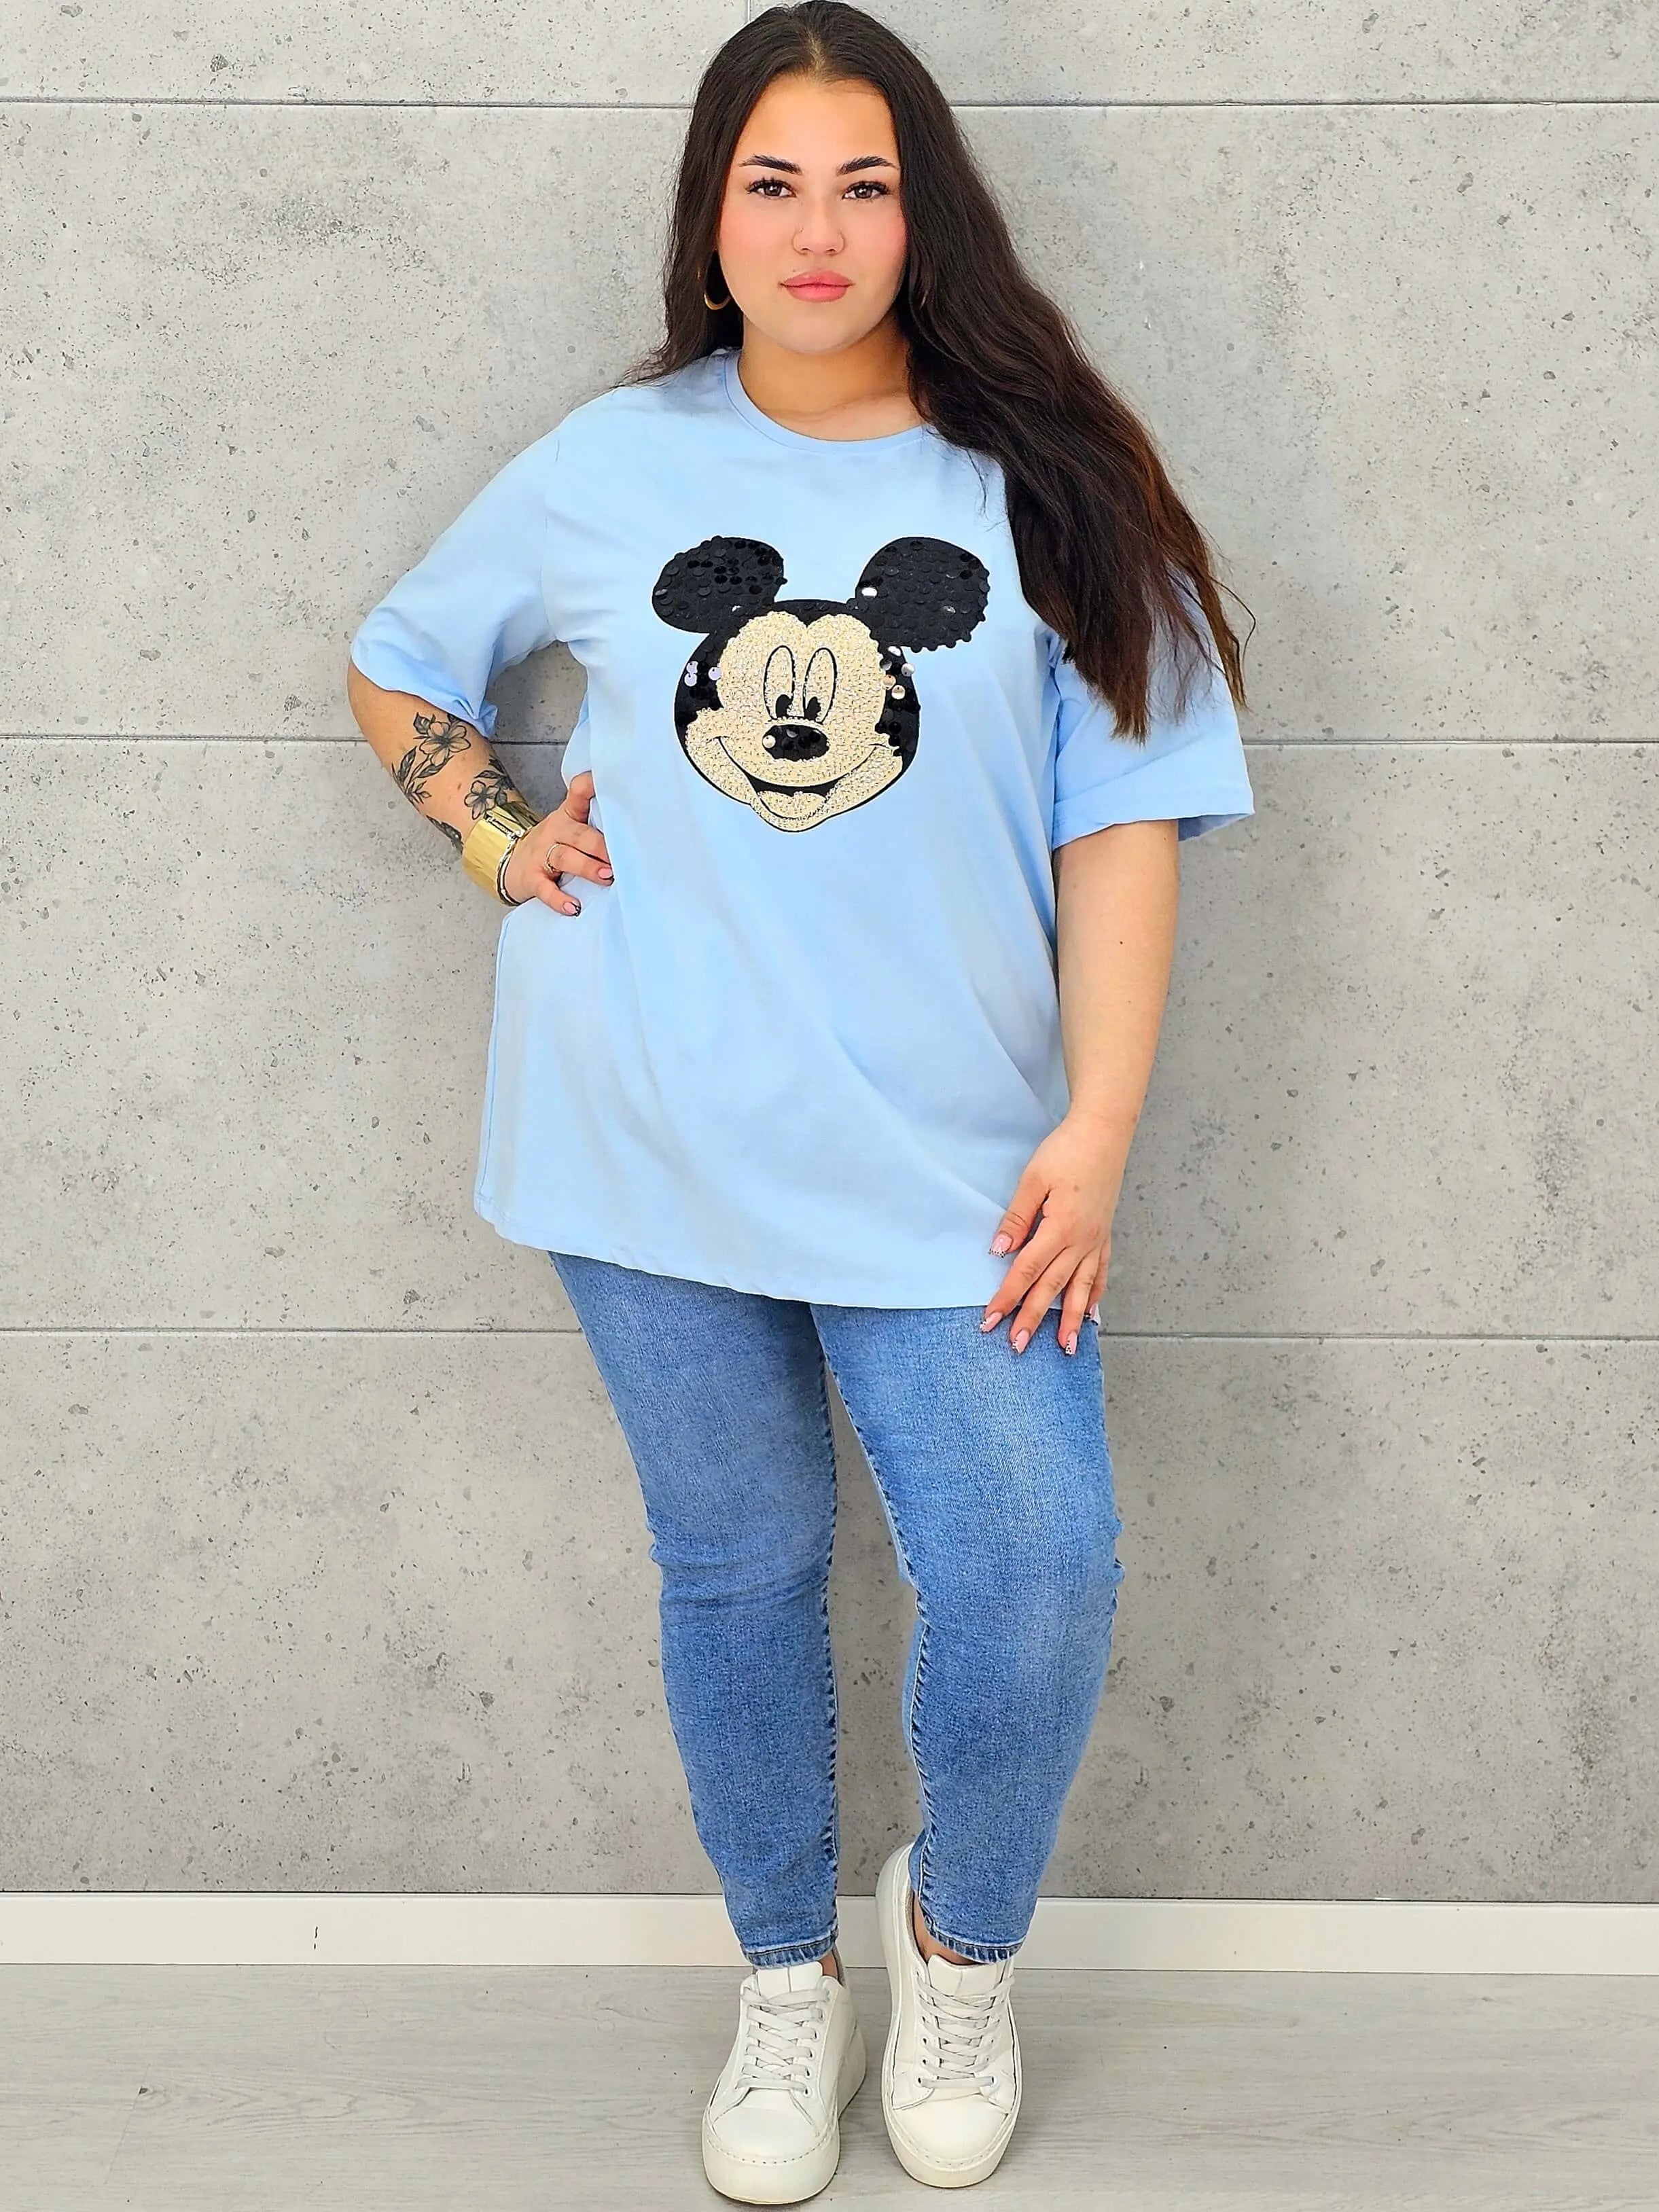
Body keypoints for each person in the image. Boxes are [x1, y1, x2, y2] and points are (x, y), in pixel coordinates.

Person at [346, 3, 1254, 2197]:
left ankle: (957, 1946)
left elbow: (1122, 826)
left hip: (960, 1167)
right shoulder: (609, 464)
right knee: (735, 1574)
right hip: (638, 1126)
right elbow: (396, 662)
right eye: (772, 183)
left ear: (927, 215)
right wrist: (496, 835)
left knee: (1033, 1573)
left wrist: (1095, 1132)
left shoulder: (1048, 483)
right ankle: (782, 1978)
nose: (817, 229)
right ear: (711, 214)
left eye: (865, 184)